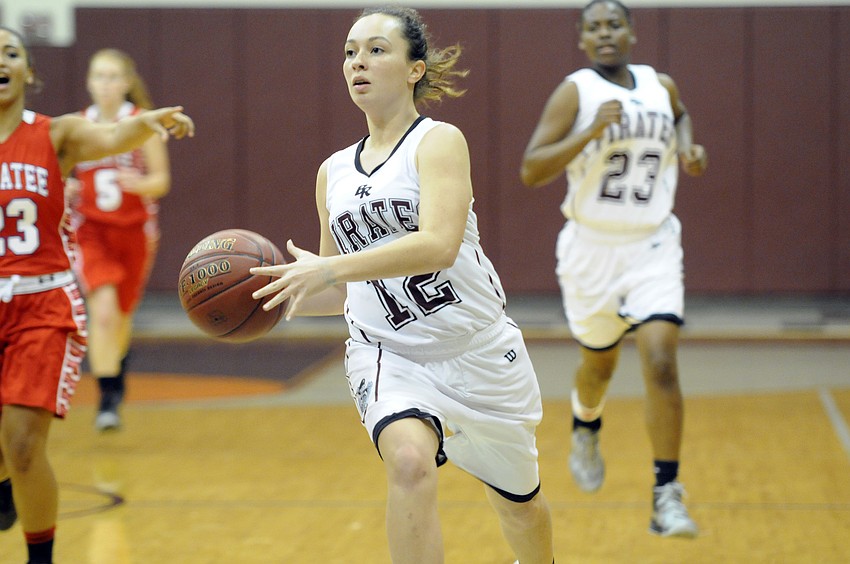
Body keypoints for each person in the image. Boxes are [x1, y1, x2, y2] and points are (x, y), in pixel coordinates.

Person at [251, 7, 555, 563]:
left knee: (521, 509)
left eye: (376, 49)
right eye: (349, 52)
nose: (357, 62)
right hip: (389, 354)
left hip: (479, 351)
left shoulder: (438, 142)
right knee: (410, 463)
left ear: (415, 69)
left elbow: (438, 245)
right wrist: (263, 300)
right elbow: (342, 290)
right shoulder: (332, 172)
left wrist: (330, 268)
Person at [0, 26, 194, 564]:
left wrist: (147, 124)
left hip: (41, 303)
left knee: (23, 443)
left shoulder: (55, 133)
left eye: (10, 53)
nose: (0, 61)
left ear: (28, 71)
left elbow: (111, 138)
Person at [520, 0, 707, 539]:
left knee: (661, 361)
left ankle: (666, 494)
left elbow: (680, 116)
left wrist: (687, 148)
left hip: (652, 243)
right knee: (598, 365)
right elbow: (531, 169)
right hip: (591, 249)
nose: (605, 33)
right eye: (594, 27)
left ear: (631, 31)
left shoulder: (660, 85)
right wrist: (588, 132)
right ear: (582, 39)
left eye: (614, 24)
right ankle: (585, 423)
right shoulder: (575, 92)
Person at [66, 49, 172, 432]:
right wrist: (66, 186)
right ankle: (107, 398)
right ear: (88, 82)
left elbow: (161, 181)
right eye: (99, 76)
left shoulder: (142, 123)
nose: (105, 84)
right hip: (90, 231)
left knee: (123, 316)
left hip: (135, 231)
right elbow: (57, 173)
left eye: (113, 76)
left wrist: (139, 184)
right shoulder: (77, 126)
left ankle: (117, 368)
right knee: (104, 313)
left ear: (126, 82)